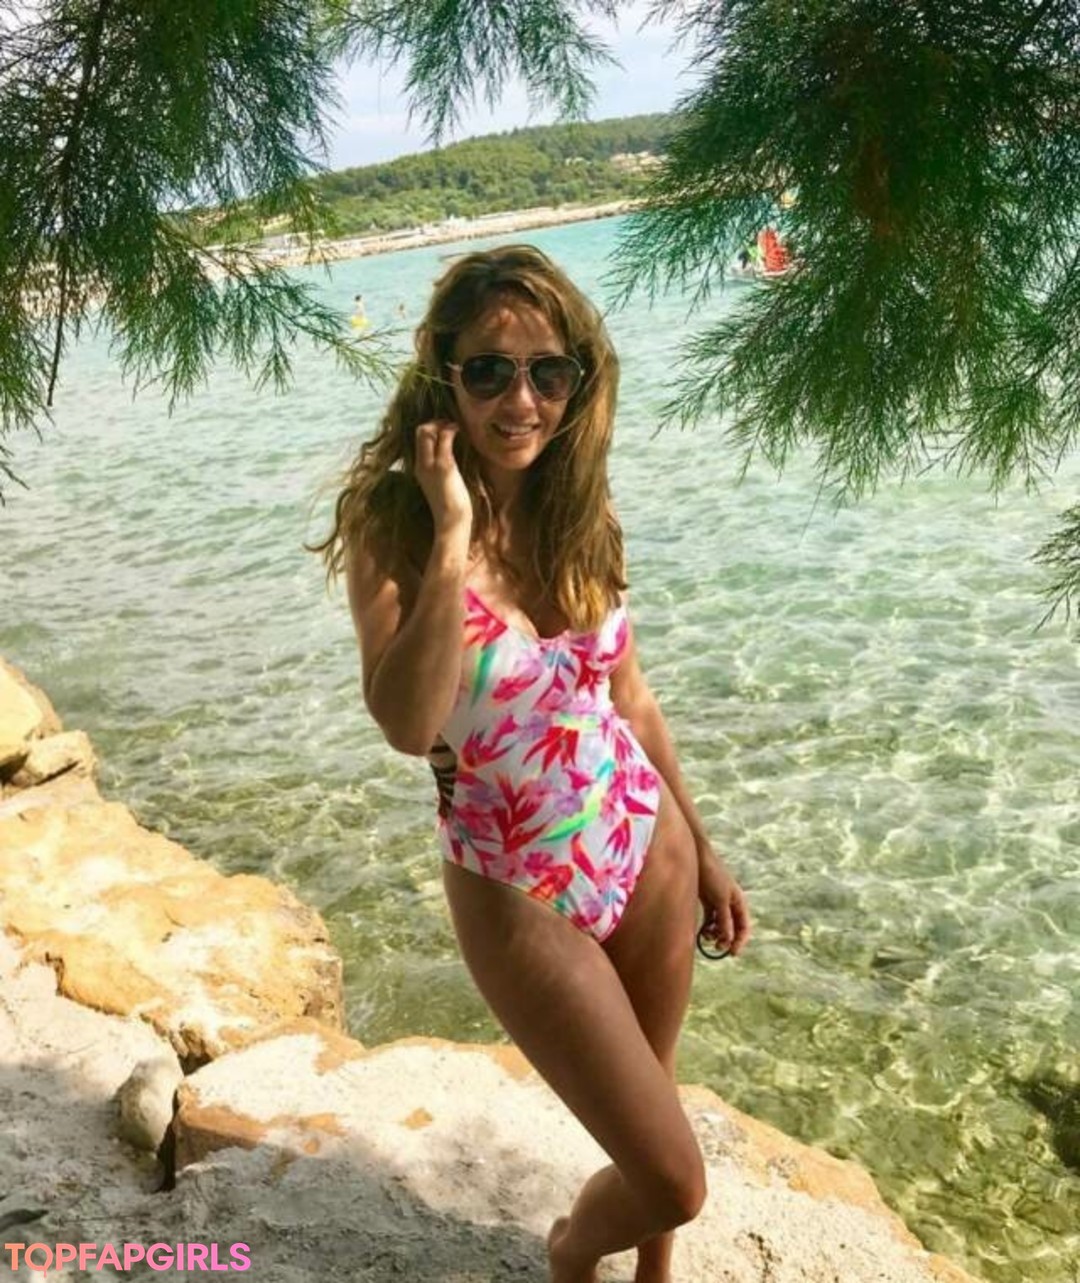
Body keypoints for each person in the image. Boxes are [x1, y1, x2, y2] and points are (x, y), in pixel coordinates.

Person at [315, 244, 751, 1283]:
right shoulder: (394, 526)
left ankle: (654, 1276)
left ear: (576, 379)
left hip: (642, 837)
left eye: (548, 371)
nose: (522, 400)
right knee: (674, 1175)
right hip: (515, 881)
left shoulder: (580, 508)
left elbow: (629, 697)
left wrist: (703, 846)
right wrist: (454, 533)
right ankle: (570, 1250)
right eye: (490, 371)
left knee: (655, 1092)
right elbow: (407, 722)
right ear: (444, 374)